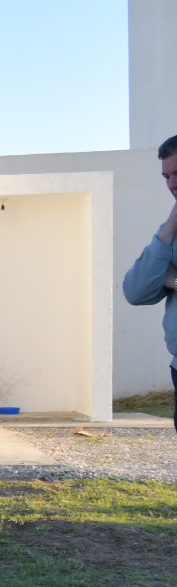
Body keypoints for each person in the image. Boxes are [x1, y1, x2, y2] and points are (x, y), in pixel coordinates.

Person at [120, 134, 177, 431]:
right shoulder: (171, 233)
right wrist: (168, 230)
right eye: (166, 176)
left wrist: (173, 279)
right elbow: (135, 291)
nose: (171, 184)